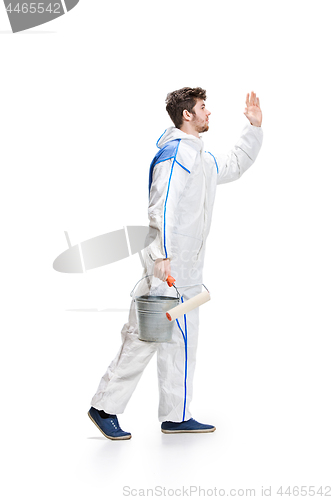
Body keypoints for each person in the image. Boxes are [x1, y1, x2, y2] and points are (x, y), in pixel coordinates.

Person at [88, 87, 263, 440]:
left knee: (181, 342)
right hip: (167, 270)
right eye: (203, 107)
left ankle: (176, 415)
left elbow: (234, 165)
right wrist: (162, 256)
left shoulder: (200, 158)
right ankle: (104, 406)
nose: (208, 113)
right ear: (187, 115)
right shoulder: (177, 152)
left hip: (187, 272)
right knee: (144, 338)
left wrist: (254, 129)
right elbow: (161, 205)